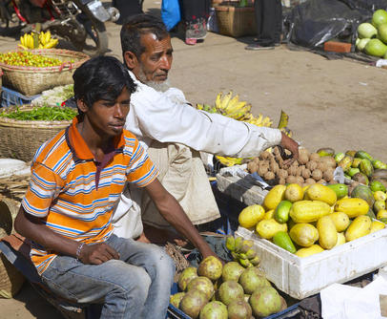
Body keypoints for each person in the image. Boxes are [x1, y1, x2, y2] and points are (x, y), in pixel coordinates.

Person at [14, 56, 217, 318]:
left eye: (125, 104)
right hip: (57, 259)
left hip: (102, 239)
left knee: (162, 262)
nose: (120, 114)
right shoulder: (56, 158)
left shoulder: (127, 146)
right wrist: (81, 250)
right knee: (132, 281)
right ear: (83, 103)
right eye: (108, 105)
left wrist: (205, 249)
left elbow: (163, 200)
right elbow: (24, 223)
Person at [112, 14, 300, 242]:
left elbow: (175, 105)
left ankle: (165, 227)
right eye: (157, 57)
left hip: (129, 182)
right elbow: (206, 129)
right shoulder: (141, 100)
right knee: (183, 147)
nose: (167, 64)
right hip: (118, 211)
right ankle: (157, 230)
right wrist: (274, 136)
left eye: (169, 53)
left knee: (183, 127)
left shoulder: (125, 81)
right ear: (131, 59)